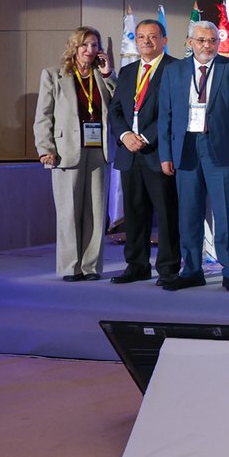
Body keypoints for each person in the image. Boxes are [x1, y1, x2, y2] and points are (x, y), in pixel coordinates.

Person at [157, 20, 229, 290]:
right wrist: (165, 154)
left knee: (226, 213)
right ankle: (192, 269)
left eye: (212, 40)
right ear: (190, 42)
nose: (207, 45)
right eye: (202, 40)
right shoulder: (174, 71)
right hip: (186, 149)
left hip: (221, 150)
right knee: (189, 214)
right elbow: (165, 115)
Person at [34, 26, 114, 280]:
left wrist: (108, 74)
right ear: (74, 48)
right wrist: (45, 148)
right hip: (65, 151)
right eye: (84, 45)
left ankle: (90, 266)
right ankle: (71, 266)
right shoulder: (53, 75)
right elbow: (43, 116)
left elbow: (119, 103)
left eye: (94, 45)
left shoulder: (102, 75)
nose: (89, 50)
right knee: (68, 211)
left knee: (96, 212)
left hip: (98, 150)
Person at [107, 18, 180, 285]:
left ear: (164, 40)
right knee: (134, 212)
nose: (146, 41)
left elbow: (174, 111)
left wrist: (147, 137)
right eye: (140, 37)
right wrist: (125, 136)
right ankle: (136, 265)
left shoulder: (175, 69)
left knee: (167, 213)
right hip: (130, 153)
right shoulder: (128, 72)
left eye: (152, 36)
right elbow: (115, 110)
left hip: (159, 153)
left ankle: (169, 268)